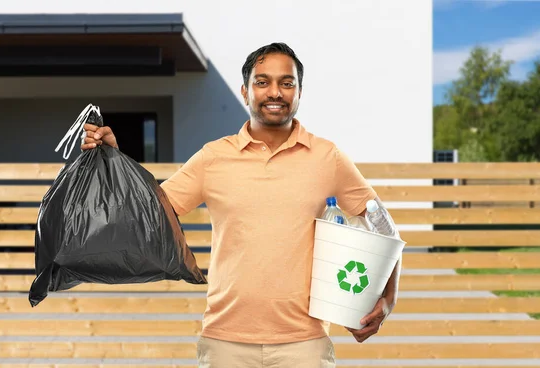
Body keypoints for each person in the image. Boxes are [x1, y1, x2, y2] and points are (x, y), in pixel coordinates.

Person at [81, 42, 401, 368]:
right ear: (245, 92)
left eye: (286, 83)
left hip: (305, 345)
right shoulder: (213, 157)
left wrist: (387, 299)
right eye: (262, 82)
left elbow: (382, 225)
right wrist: (114, 162)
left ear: (299, 93)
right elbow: (146, 214)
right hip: (225, 345)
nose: (274, 92)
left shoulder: (327, 157)